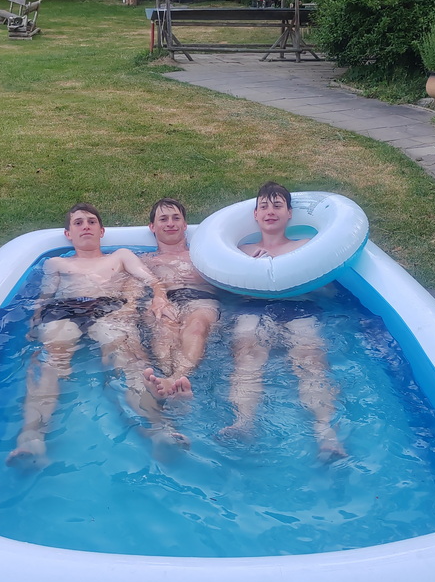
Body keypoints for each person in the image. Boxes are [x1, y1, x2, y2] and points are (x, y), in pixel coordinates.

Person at [8, 203, 182, 468]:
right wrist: (34, 324)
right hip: (64, 308)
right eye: (78, 223)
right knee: (50, 360)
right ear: (68, 234)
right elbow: (45, 297)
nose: (85, 227)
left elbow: (152, 281)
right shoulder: (56, 263)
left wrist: (159, 298)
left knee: (127, 356)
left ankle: (159, 430)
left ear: (102, 231)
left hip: (108, 305)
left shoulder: (120, 256)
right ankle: (32, 438)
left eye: (91, 222)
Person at [222, 182, 346, 462]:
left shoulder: (305, 248)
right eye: (264, 206)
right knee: (247, 356)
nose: (270, 211)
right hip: (253, 308)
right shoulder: (240, 250)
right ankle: (243, 422)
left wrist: (292, 272)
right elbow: (227, 291)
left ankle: (326, 431)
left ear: (289, 213)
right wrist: (252, 269)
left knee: (310, 359)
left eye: (277, 205)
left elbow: (329, 291)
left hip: (298, 306)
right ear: (255, 215)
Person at [139, 198, 221, 399]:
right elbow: (131, 288)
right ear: (152, 227)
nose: (170, 223)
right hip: (167, 302)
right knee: (163, 330)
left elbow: (233, 275)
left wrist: (205, 276)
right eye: (163, 219)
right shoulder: (146, 261)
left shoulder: (203, 256)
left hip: (201, 300)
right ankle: (171, 385)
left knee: (197, 326)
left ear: (185, 225)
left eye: (176, 218)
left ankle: (176, 378)